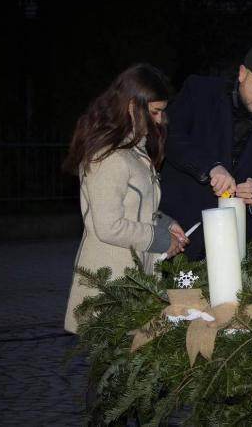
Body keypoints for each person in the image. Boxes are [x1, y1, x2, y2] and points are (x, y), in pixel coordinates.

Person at [61, 64, 188, 334]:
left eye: (162, 111)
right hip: (110, 282)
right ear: (132, 106)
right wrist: (162, 239)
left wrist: (166, 224)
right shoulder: (108, 156)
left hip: (134, 278)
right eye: (155, 112)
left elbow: (136, 208)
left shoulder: (133, 151)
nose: (160, 120)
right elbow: (109, 225)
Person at [159, 43, 252, 258]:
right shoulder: (200, 92)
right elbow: (170, 137)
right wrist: (210, 168)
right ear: (242, 73)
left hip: (232, 240)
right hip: (177, 227)